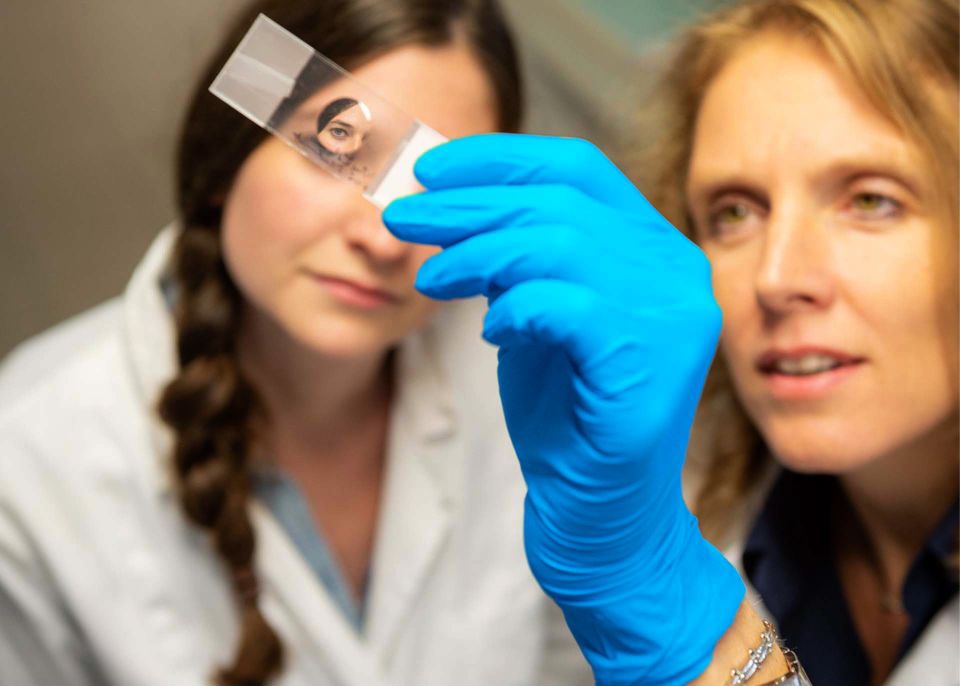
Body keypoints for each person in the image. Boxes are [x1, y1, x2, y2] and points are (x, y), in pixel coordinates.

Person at [0, 2, 593, 686]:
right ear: (225, 159)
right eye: (338, 146)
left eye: (437, 193)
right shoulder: (27, 460)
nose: (378, 239)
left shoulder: (533, 394)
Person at [383, 0, 958, 683]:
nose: (775, 278)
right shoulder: (750, 531)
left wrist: (667, 610)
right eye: (734, 212)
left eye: (871, 201)